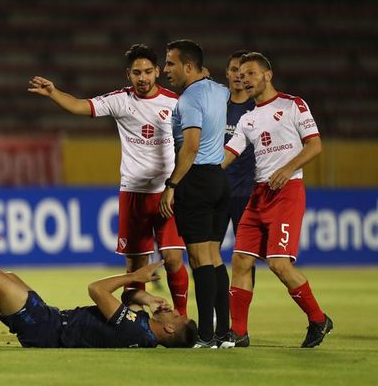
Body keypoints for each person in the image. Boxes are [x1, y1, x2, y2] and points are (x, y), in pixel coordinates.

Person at [28, 44, 190, 316]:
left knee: (173, 258)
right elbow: (81, 106)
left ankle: (181, 316)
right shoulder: (120, 100)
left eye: (148, 72)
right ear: (128, 74)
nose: (143, 78)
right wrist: (54, 93)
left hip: (166, 192)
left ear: (157, 72)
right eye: (137, 73)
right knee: (135, 270)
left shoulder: (175, 103)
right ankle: (138, 324)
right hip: (134, 193)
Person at [223, 52, 332, 348]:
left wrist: (287, 168)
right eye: (241, 75)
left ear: (267, 75)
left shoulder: (293, 105)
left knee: (279, 265)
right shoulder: (248, 119)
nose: (244, 79)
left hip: (287, 193)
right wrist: (202, 173)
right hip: (259, 195)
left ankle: (319, 320)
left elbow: (315, 145)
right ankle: (239, 333)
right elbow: (228, 155)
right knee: (241, 260)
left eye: (251, 73)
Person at [0, 261, 198, 348]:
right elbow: (126, 300)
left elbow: (97, 290)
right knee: (6, 276)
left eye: (174, 315)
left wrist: (134, 275)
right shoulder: (143, 330)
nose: (171, 309)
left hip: (46, 330)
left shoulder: (138, 333)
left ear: (170, 329)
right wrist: (149, 298)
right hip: (52, 319)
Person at [159, 39, 232, 348]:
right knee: (215, 257)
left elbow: (190, 146)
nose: (165, 70)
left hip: (196, 179)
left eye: (170, 64)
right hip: (219, 177)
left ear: (188, 67)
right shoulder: (219, 91)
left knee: (200, 260)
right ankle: (225, 333)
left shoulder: (189, 99)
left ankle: (204, 335)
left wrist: (172, 185)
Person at [221, 50, 257, 286]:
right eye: (234, 70)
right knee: (206, 254)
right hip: (217, 190)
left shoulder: (257, 108)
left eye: (243, 72)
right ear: (227, 73)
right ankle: (218, 309)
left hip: (246, 193)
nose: (238, 75)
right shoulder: (216, 106)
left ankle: (240, 313)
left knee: (244, 258)